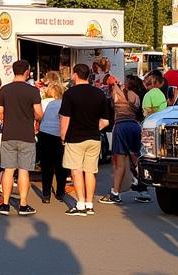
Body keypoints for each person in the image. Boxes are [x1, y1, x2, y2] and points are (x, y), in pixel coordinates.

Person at [60, 63, 110, 216]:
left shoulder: (70, 94)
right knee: (90, 171)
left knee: (76, 171)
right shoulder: (99, 93)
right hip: (94, 137)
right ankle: (89, 203)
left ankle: (80, 204)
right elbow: (106, 121)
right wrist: (95, 128)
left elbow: (65, 118)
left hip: (75, 137)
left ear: (75, 74)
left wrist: (63, 136)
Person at [0, 60, 43, 216]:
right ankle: (23, 205)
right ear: (27, 72)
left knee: (8, 170)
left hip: (9, 135)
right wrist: (34, 118)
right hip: (26, 135)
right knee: (24, 171)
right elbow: (39, 113)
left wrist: (7, 119)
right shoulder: (33, 91)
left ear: (13, 71)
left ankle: (5, 204)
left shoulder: (4, 90)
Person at [99, 75, 144, 206]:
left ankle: (115, 193)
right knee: (135, 159)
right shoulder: (137, 96)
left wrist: (114, 85)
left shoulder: (120, 93)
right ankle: (143, 191)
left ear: (128, 84)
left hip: (121, 126)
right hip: (135, 126)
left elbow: (112, 100)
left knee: (119, 162)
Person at [37, 80, 66, 203]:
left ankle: (46, 194)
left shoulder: (49, 104)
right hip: (58, 135)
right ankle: (60, 192)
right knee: (61, 166)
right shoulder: (63, 104)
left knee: (46, 166)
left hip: (45, 134)